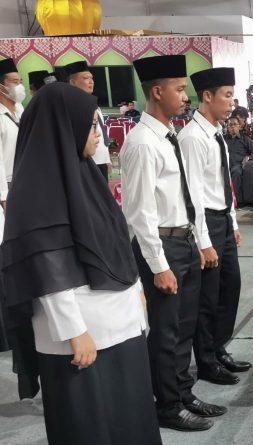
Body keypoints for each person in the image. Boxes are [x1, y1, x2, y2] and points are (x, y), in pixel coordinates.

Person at [2, 81, 162, 445]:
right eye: (90, 126)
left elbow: (115, 238)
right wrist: (73, 330)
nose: (98, 134)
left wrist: (135, 286)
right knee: (91, 425)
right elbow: (45, 262)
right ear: (64, 128)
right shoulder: (37, 187)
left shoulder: (84, 173)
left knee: (130, 417)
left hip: (119, 321)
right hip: (82, 335)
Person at [121, 54, 222, 431]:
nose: (185, 96)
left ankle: (182, 393)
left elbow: (185, 195)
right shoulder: (142, 143)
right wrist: (158, 265)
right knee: (165, 333)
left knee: (184, 327)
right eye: (179, 89)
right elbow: (139, 211)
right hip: (161, 246)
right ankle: (167, 406)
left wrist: (198, 240)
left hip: (183, 241)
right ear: (157, 92)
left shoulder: (168, 135)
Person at [179, 67, 251, 389]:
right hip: (205, 222)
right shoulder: (192, 138)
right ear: (207, 96)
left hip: (222, 218)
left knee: (229, 287)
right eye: (227, 95)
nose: (232, 103)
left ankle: (218, 347)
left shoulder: (216, 132)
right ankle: (206, 360)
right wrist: (204, 241)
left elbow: (223, 184)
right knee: (208, 297)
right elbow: (193, 194)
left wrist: (232, 220)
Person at [63, 60, 112, 182]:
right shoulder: (71, 106)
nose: (91, 81)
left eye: (92, 78)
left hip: (101, 160)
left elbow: (100, 132)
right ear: (72, 82)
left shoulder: (93, 104)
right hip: (87, 162)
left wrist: (106, 158)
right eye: (85, 78)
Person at [0, 58, 23, 194]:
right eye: (15, 82)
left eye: (21, 82)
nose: (20, 86)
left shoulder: (21, 110)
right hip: (8, 183)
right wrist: (3, 194)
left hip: (26, 176)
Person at [225, 117, 253, 200]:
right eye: (230, 125)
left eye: (235, 124)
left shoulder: (245, 139)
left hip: (238, 164)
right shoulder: (223, 139)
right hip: (225, 164)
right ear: (227, 127)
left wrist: (248, 157)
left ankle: (235, 200)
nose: (232, 127)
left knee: (236, 172)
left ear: (239, 127)